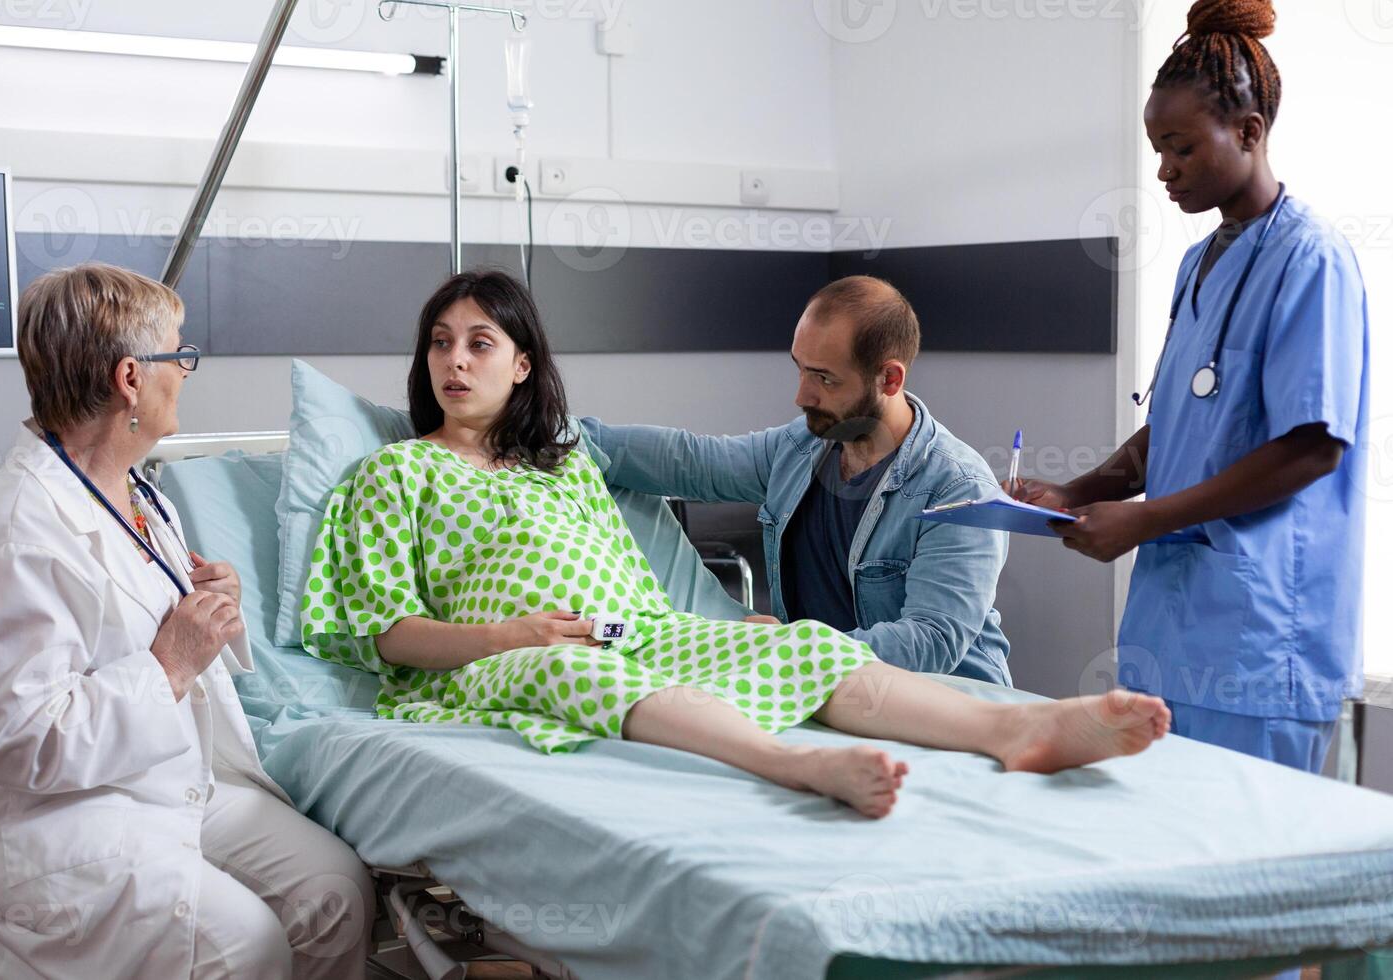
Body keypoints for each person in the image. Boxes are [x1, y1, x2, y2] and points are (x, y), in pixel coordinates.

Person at [300, 268, 1170, 821]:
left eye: (480, 343)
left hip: (639, 631)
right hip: (511, 654)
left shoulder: (563, 467)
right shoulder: (392, 475)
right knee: (577, 667)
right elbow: (385, 630)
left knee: (796, 646)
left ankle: (1016, 723)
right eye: (440, 344)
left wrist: (549, 440)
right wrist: (512, 634)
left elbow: (936, 642)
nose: (455, 361)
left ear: (522, 365)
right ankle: (788, 763)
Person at [0, 264, 374, 978]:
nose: (187, 372)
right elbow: (19, 744)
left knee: (335, 891)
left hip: (157, 776)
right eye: (180, 354)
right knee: (245, 944)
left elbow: (134, 621)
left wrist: (204, 603)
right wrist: (171, 663)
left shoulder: (127, 489)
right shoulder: (13, 538)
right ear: (131, 377)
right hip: (51, 820)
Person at [1012, 0, 1369, 773]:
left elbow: (1311, 448)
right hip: (1176, 635)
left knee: (1262, 873)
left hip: (1264, 639)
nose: (1165, 171)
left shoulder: (1312, 260)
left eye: (1179, 148)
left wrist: (1143, 521)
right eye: (1157, 151)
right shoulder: (1195, 266)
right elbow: (1181, 421)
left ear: (1247, 132)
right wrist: (1077, 492)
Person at [581, 274, 1014, 685]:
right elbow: (692, 461)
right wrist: (556, 434)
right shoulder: (802, 446)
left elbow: (930, 642)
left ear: (889, 378)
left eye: (824, 378)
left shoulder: (957, 489)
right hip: (825, 690)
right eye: (801, 369)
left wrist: (791, 651)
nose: (802, 395)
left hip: (951, 700)